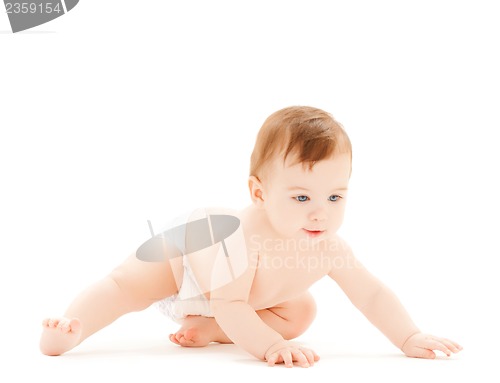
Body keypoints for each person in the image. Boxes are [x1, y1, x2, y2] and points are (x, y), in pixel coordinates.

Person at [40, 106, 462, 367]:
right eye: (300, 196)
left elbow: (370, 295)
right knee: (124, 286)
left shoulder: (329, 247)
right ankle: (72, 328)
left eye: (335, 195)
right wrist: (271, 347)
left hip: (236, 302)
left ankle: (209, 330)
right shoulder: (241, 239)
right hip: (186, 258)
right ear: (259, 193)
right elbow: (231, 301)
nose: (321, 211)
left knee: (301, 312)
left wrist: (409, 336)